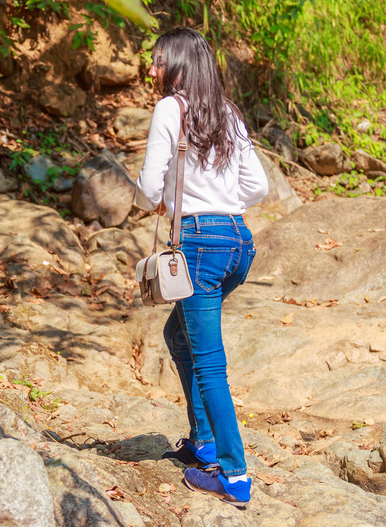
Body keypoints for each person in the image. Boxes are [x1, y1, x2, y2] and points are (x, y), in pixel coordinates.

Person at [134, 27, 269, 508]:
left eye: (157, 61)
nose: (151, 70)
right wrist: (219, 199)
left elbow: (150, 186)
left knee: (210, 363)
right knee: (179, 335)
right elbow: (258, 186)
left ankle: (232, 473)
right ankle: (204, 440)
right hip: (237, 243)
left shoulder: (170, 109)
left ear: (177, 65)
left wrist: (160, 201)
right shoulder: (227, 113)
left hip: (198, 245)